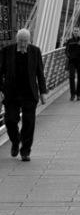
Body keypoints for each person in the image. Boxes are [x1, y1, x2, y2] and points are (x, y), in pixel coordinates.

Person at [0, 28, 47, 161]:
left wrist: (43, 92)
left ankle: (25, 151)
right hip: (11, 93)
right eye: (20, 41)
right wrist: (1, 89)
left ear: (29, 41)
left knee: (29, 122)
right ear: (17, 40)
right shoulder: (7, 51)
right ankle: (15, 141)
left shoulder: (35, 51)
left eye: (25, 41)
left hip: (29, 92)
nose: (22, 44)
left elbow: (40, 73)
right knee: (10, 120)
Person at [65, 26, 80, 101]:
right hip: (72, 62)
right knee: (71, 77)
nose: (76, 32)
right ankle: (72, 94)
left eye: (77, 31)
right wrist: (70, 56)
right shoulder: (69, 41)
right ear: (72, 32)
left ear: (79, 32)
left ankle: (78, 94)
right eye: (74, 31)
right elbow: (66, 51)